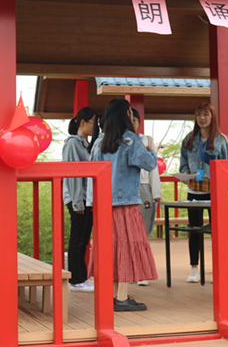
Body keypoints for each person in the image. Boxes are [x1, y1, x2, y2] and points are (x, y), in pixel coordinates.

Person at [90, 98, 158, 312]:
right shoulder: (130, 140)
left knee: (110, 248)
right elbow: (150, 164)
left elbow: (91, 173)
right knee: (127, 248)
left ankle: (110, 297)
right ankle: (122, 298)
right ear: (126, 115)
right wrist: (150, 147)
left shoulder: (99, 142)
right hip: (126, 204)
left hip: (102, 204)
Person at [179, 102, 228, 283]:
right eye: (199, 114)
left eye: (206, 115)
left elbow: (226, 167)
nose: (202, 118)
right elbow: (183, 163)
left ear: (212, 117)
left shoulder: (221, 140)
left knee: (218, 231)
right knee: (194, 230)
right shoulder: (189, 138)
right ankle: (194, 268)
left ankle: (218, 269)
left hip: (214, 191)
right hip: (193, 190)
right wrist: (185, 174)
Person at [62, 107, 98, 292]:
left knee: (83, 239)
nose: (96, 126)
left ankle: (81, 277)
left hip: (85, 198)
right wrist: (77, 201)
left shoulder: (85, 144)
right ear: (82, 122)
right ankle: (76, 279)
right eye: (93, 122)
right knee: (77, 239)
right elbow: (72, 174)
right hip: (78, 198)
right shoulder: (72, 143)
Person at [131, 108, 162, 286]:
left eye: (135, 120)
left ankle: (142, 271)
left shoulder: (146, 140)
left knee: (143, 230)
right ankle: (130, 270)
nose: (132, 123)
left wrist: (156, 192)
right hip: (128, 188)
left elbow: (153, 167)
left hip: (144, 187)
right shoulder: (121, 140)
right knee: (129, 230)